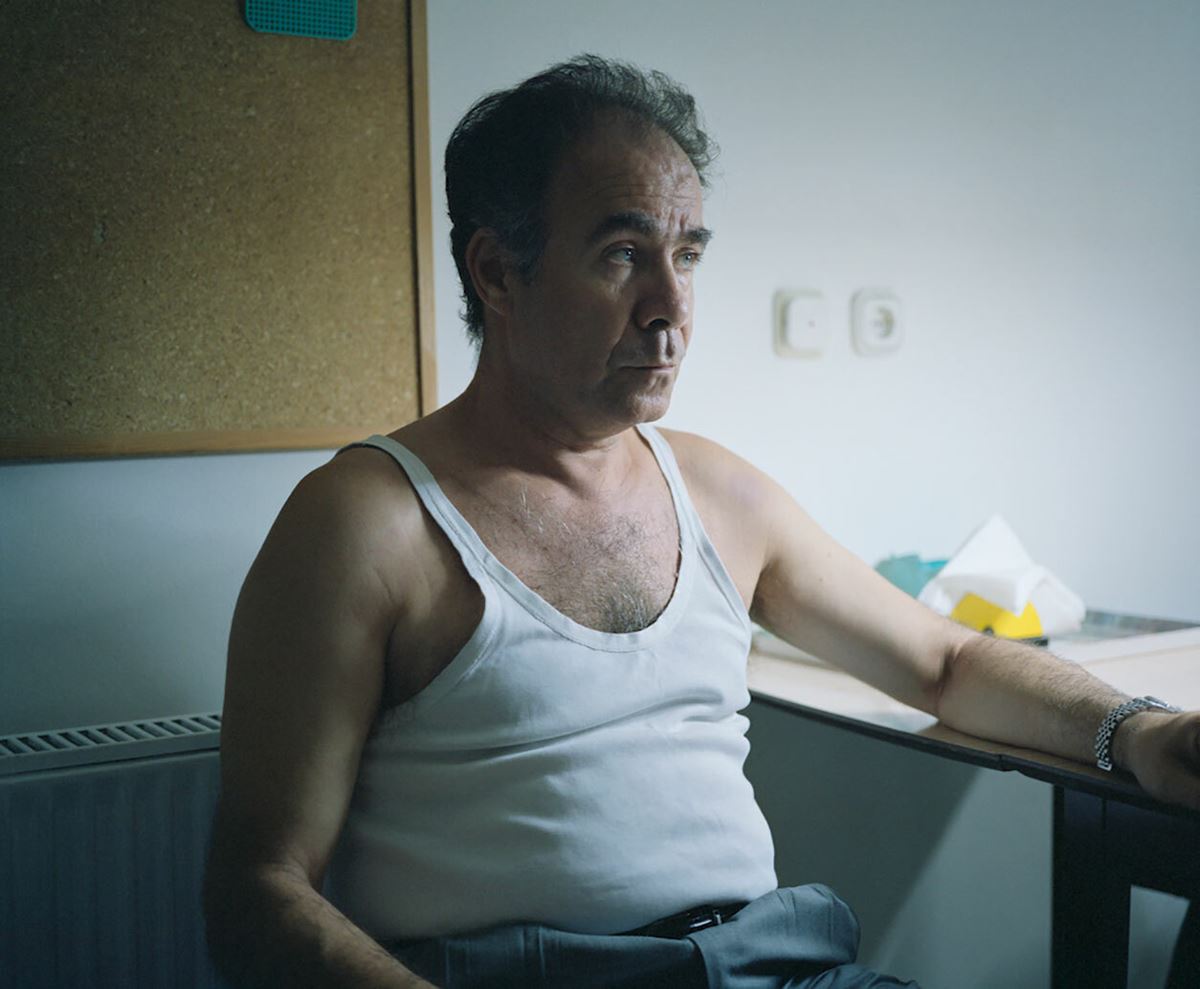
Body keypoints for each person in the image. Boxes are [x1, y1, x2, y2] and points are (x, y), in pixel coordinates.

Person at [203, 55, 1200, 988]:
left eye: (686, 254)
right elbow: (259, 888)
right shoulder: (366, 523)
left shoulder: (717, 493)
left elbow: (945, 663)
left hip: (775, 962)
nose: (672, 306)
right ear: (497, 272)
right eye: (622, 255)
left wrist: (1140, 732)